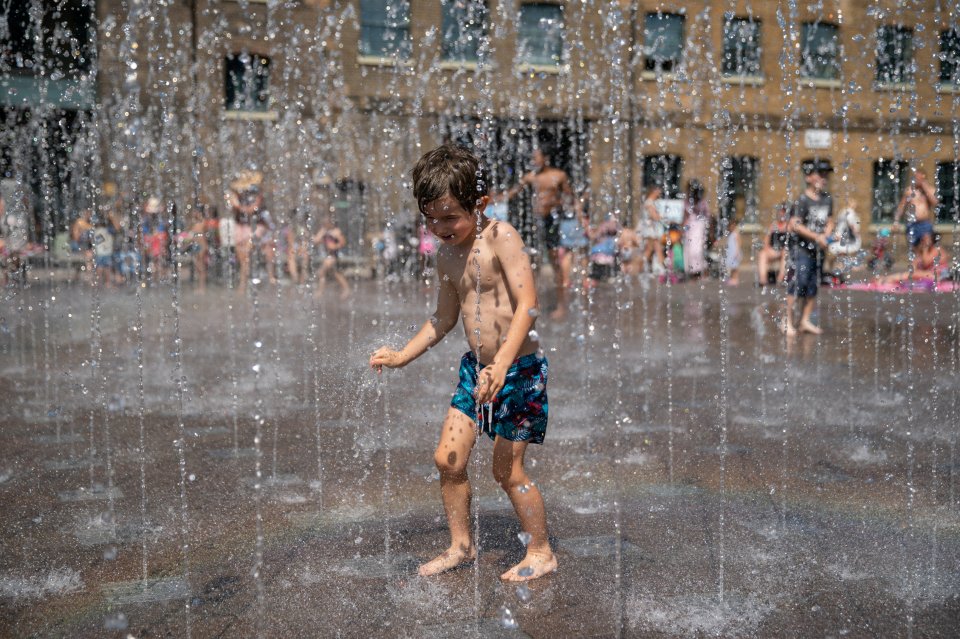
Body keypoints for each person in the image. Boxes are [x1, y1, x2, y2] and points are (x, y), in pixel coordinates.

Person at [369, 143, 556, 582]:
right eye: (429, 217)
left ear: (480, 203)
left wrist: (503, 366)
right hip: (477, 370)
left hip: (520, 371)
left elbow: (529, 303)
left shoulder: (501, 237)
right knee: (448, 460)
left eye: (449, 216)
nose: (439, 226)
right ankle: (460, 545)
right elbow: (443, 319)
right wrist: (402, 356)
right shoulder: (447, 256)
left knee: (505, 471)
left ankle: (542, 551)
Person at [504, 146, 581, 320]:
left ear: (545, 158)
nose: (533, 161)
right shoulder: (530, 177)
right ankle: (532, 305)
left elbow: (570, 195)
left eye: (536, 157)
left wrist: (577, 214)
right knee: (532, 265)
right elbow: (514, 193)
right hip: (534, 222)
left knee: (555, 263)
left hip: (551, 221)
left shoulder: (559, 175)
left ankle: (561, 306)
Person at [782, 160, 834, 336]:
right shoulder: (802, 201)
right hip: (801, 249)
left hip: (818, 250)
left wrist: (827, 234)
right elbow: (794, 225)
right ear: (809, 177)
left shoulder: (828, 199)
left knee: (813, 286)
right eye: (820, 174)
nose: (824, 178)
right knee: (798, 283)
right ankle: (787, 321)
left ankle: (804, 321)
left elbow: (830, 220)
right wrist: (817, 237)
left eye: (826, 174)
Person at [879, 227, 952, 287]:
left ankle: (887, 279)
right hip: (928, 274)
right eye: (923, 239)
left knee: (914, 274)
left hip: (938, 276)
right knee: (912, 274)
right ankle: (888, 279)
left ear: (932, 239)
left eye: (926, 239)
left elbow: (926, 262)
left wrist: (925, 249)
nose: (923, 241)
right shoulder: (924, 250)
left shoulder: (937, 249)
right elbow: (914, 266)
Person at [894, 170, 938, 248]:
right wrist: (896, 221)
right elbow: (901, 206)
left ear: (924, 179)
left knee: (927, 245)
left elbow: (935, 203)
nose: (916, 180)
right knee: (914, 249)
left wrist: (925, 187)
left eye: (919, 178)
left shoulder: (930, 190)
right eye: (915, 178)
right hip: (911, 224)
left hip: (925, 223)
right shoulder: (909, 191)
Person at [313, 214, 351, 300]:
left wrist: (335, 246)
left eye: (326, 223)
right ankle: (346, 289)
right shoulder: (324, 231)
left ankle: (320, 292)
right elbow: (316, 241)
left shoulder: (336, 231)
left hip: (333, 256)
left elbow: (343, 242)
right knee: (336, 274)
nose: (325, 224)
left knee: (321, 272)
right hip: (327, 255)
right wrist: (320, 236)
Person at [825, 197, 862, 276]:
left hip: (838, 234)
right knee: (842, 253)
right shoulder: (850, 212)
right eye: (854, 203)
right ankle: (839, 272)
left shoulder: (842, 211)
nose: (856, 205)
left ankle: (835, 269)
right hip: (845, 237)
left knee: (840, 254)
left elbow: (837, 222)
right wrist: (856, 231)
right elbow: (851, 223)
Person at [682, 179, 711, 278]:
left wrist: (709, 229)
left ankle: (699, 270)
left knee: (697, 249)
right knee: (689, 249)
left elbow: (707, 216)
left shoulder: (702, 202)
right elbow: (685, 216)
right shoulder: (687, 201)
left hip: (699, 226)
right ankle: (692, 272)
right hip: (689, 226)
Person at [757, 203, 790, 286]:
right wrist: (766, 249)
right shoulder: (773, 225)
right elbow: (766, 241)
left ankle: (780, 279)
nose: (782, 214)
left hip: (785, 251)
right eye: (780, 212)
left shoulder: (789, 226)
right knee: (762, 254)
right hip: (774, 251)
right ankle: (763, 280)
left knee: (785, 253)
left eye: (784, 212)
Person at [637, 185, 665, 276]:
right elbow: (654, 216)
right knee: (649, 250)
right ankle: (639, 269)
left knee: (657, 248)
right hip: (650, 230)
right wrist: (663, 217)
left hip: (651, 229)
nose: (660, 192)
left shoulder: (649, 202)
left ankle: (661, 269)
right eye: (658, 190)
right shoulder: (649, 203)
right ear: (654, 191)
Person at [724, 216, 742, 286]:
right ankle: (732, 278)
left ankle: (736, 279)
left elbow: (739, 242)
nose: (731, 227)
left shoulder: (736, 233)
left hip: (735, 252)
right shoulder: (730, 234)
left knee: (735, 267)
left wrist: (737, 251)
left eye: (732, 226)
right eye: (730, 226)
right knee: (731, 266)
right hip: (731, 253)